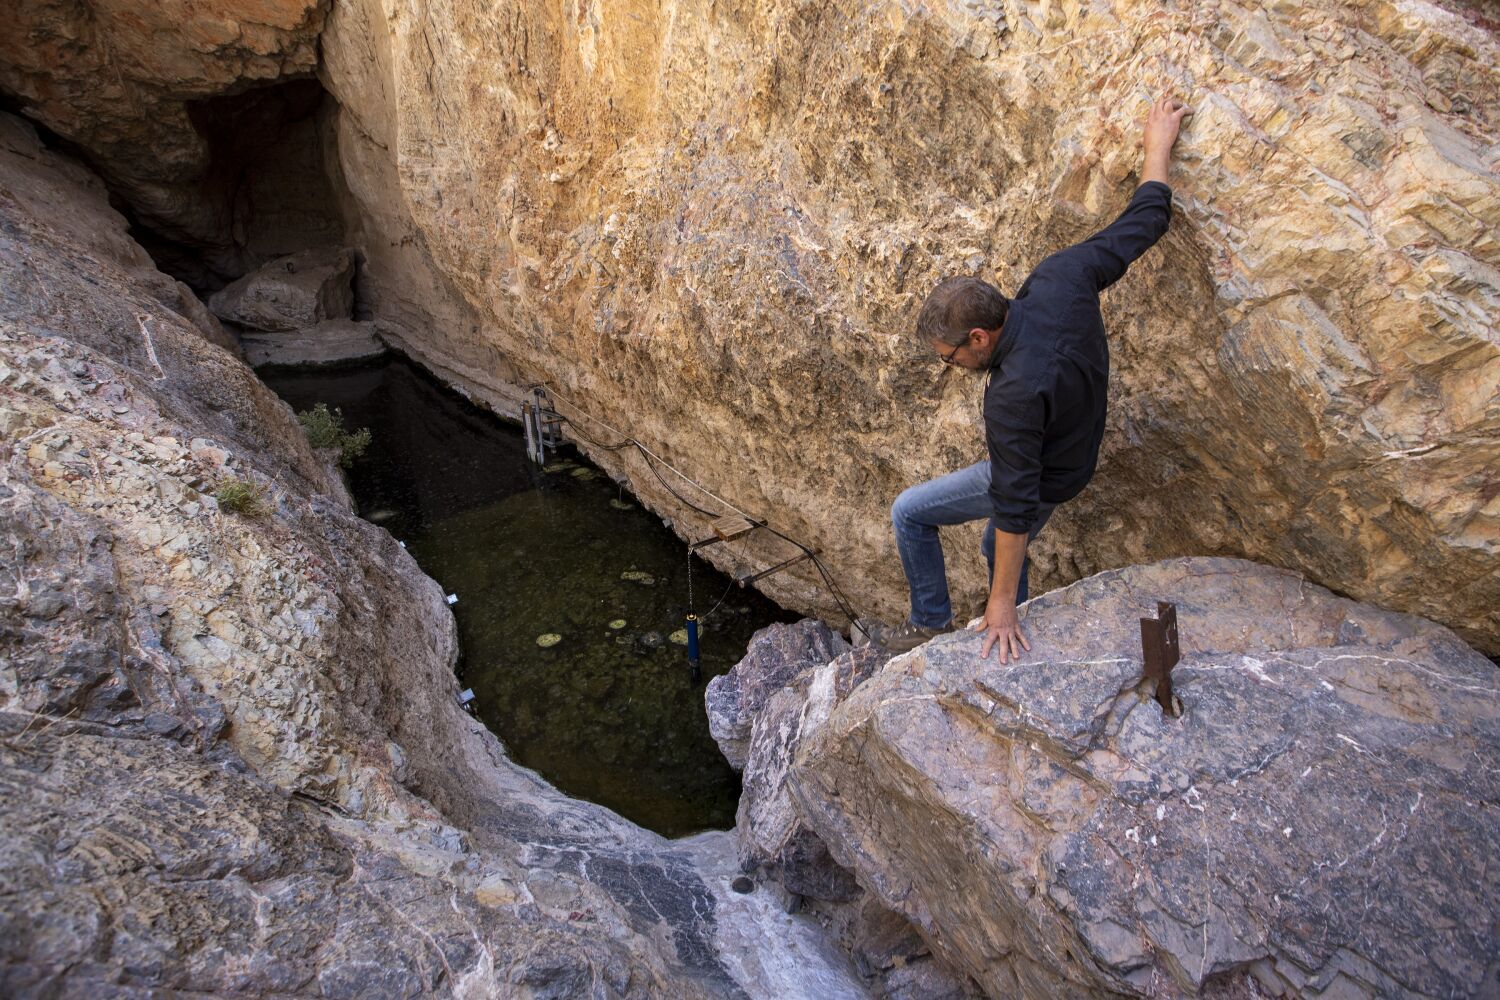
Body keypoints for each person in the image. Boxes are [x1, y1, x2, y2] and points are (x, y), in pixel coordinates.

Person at [880, 95, 1193, 660]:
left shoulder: (1011, 398)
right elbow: (1144, 222)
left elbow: (1016, 500)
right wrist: (1157, 149)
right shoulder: (1061, 277)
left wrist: (998, 605)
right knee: (991, 542)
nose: (949, 368)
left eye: (948, 358)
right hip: (1075, 454)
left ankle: (938, 622)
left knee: (911, 512)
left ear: (979, 339)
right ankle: (1006, 608)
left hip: (1047, 470)